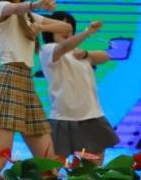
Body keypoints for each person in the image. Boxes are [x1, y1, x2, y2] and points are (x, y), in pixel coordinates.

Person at [0, 0, 71, 170]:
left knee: (49, 163)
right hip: (9, 80)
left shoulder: (30, 17)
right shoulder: (0, 8)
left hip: (26, 84)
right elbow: (15, 8)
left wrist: (40, 26)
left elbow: (66, 27)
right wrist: (36, 4)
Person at [39, 11, 119, 163]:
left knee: (93, 167)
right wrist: (87, 32)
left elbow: (105, 56)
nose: (66, 30)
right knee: (54, 166)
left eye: (69, 27)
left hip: (92, 114)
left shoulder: (78, 53)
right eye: (61, 26)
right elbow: (63, 48)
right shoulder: (48, 50)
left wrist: (86, 54)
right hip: (64, 116)